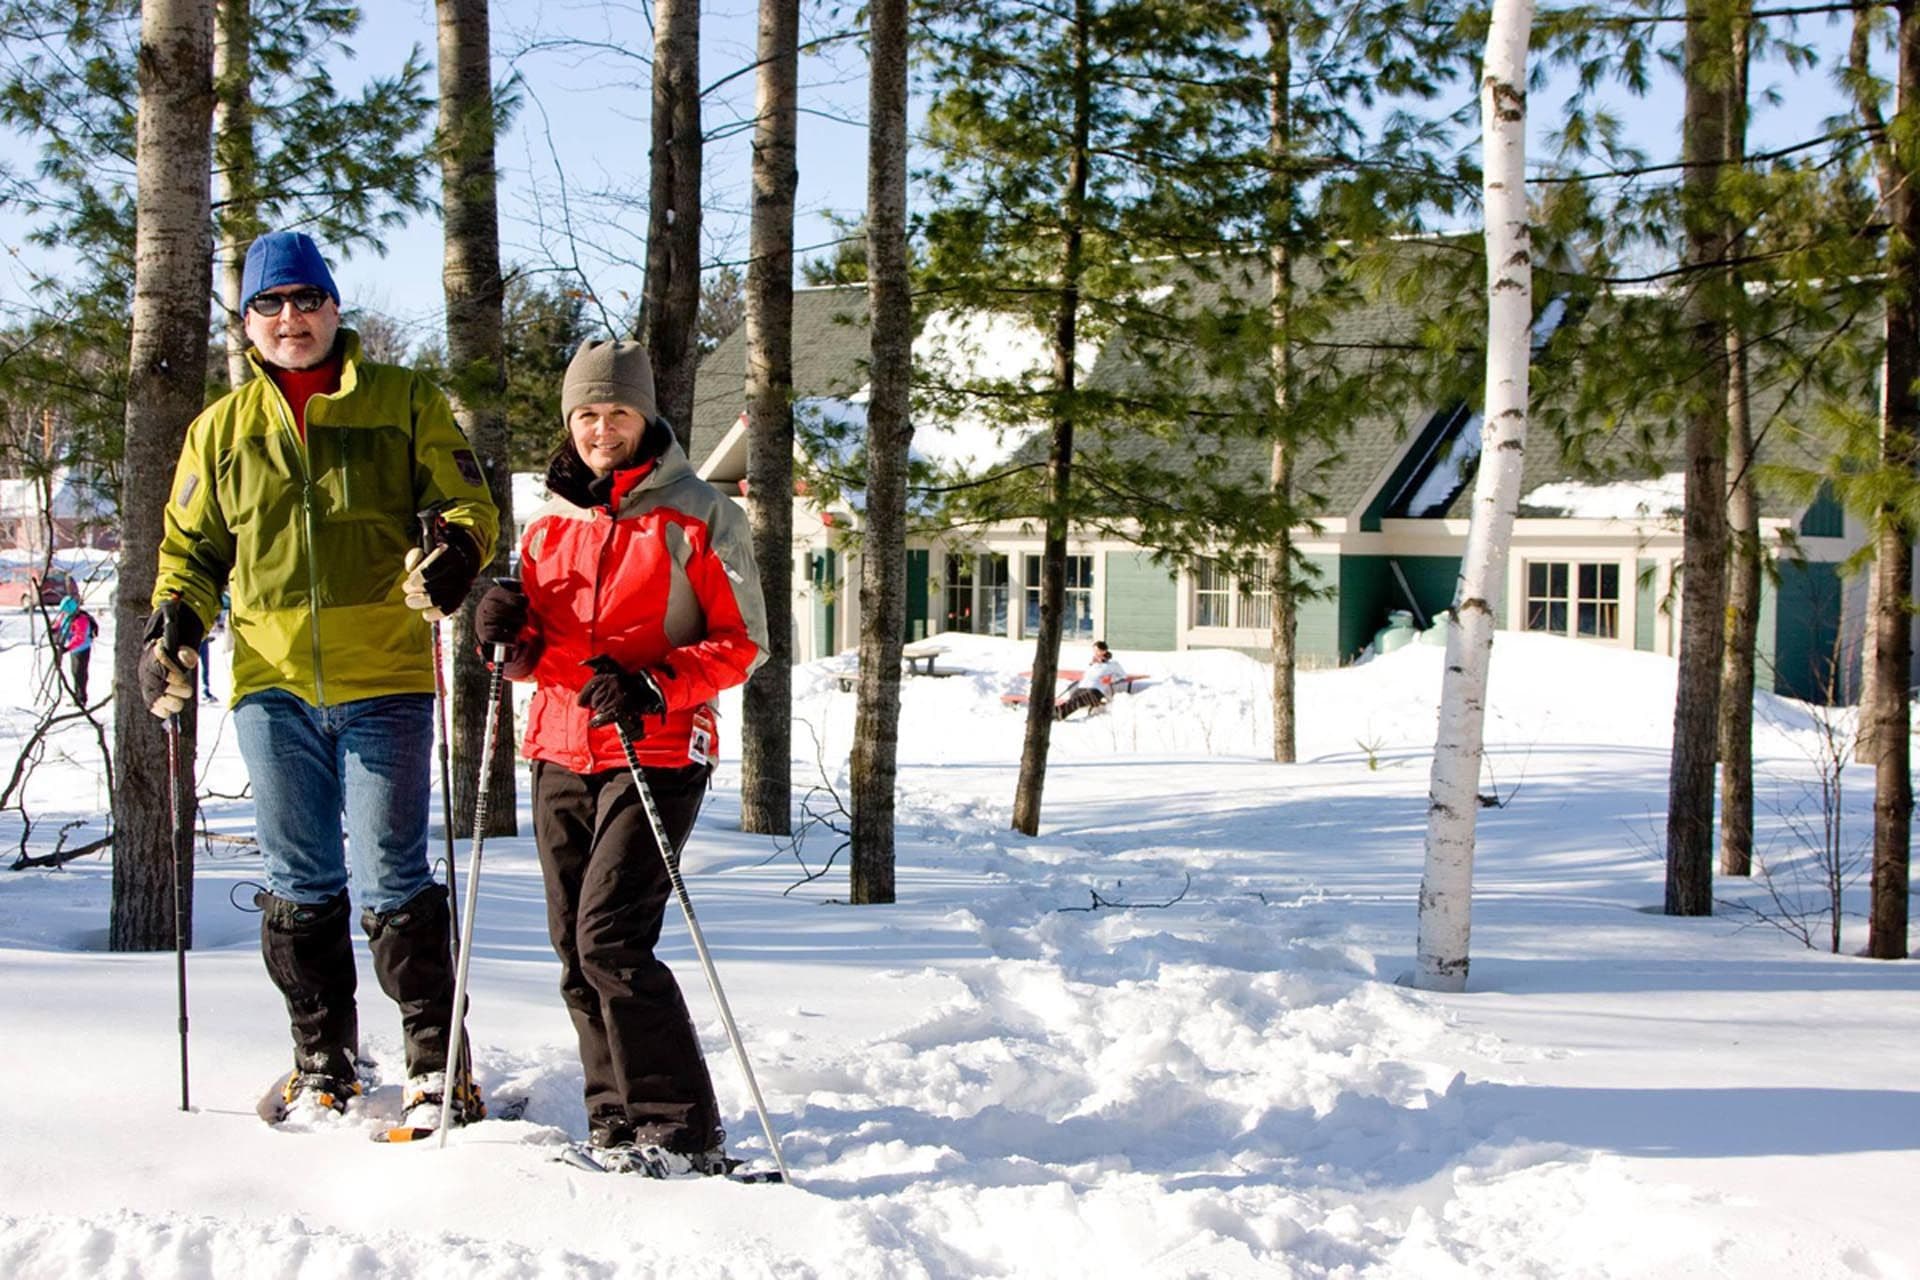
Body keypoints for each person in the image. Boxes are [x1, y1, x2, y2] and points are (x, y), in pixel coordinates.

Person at [142, 230, 498, 1129]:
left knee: (391, 873)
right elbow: (189, 550)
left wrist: (456, 550)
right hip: (270, 683)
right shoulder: (219, 431)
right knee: (299, 879)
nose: (291, 318)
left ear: (336, 310)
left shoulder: (403, 400)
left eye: (306, 300)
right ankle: (323, 1059)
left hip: (384, 674)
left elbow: (469, 501)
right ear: (250, 323)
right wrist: (174, 621)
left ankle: (435, 1062)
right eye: (271, 305)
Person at [473, 339, 768, 1176]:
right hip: (561, 746)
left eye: (619, 413)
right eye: (588, 415)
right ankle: (613, 1120)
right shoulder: (548, 524)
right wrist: (505, 631)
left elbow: (745, 644)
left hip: (660, 745)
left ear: (646, 419)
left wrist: (655, 684)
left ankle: (680, 1131)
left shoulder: (703, 515)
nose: (603, 429)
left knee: (612, 939)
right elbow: (533, 653)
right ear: (571, 422)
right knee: (574, 947)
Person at [1055, 640, 1126, 720]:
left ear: (1104, 651)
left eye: (1097, 651)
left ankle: (1057, 713)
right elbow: (1087, 676)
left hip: (1096, 691)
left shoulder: (1112, 664)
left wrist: (1111, 679)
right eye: (1094, 650)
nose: (1095, 653)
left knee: (1078, 700)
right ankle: (1055, 713)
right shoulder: (1093, 663)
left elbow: (1123, 675)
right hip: (1082, 687)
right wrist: (1092, 664)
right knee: (1072, 700)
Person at [55, 594, 93, 704]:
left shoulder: (81, 619)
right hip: (73, 649)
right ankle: (77, 697)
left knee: (80, 673)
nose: (64, 612)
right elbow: (59, 625)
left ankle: (81, 698)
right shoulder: (66, 616)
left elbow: (80, 637)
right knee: (74, 672)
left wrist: (67, 648)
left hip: (82, 649)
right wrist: (53, 629)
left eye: (65, 610)